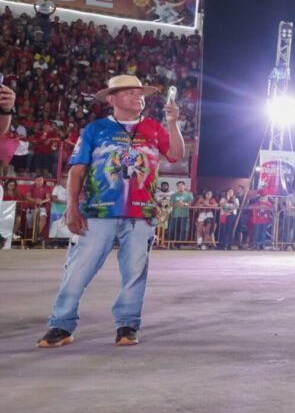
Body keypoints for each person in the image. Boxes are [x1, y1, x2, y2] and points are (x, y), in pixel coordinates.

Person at [37, 75, 184, 348]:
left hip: (141, 213)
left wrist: (173, 123)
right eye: (129, 92)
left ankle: (127, 325)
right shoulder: (95, 130)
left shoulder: (153, 128)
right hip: (98, 212)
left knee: (135, 272)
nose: (137, 97)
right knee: (78, 269)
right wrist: (72, 207)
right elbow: (77, 170)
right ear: (111, 98)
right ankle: (61, 325)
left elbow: (176, 154)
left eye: (140, 93)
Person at [168, 181, 193, 246]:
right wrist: (177, 204)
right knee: (172, 229)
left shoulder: (189, 194)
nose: (180, 187)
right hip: (175, 215)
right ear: (177, 187)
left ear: (184, 186)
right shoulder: (174, 195)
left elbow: (191, 203)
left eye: (182, 185)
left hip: (184, 215)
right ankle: (170, 244)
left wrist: (184, 204)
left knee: (183, 230)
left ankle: (178, 244)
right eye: (179, 186)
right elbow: (170, 204)